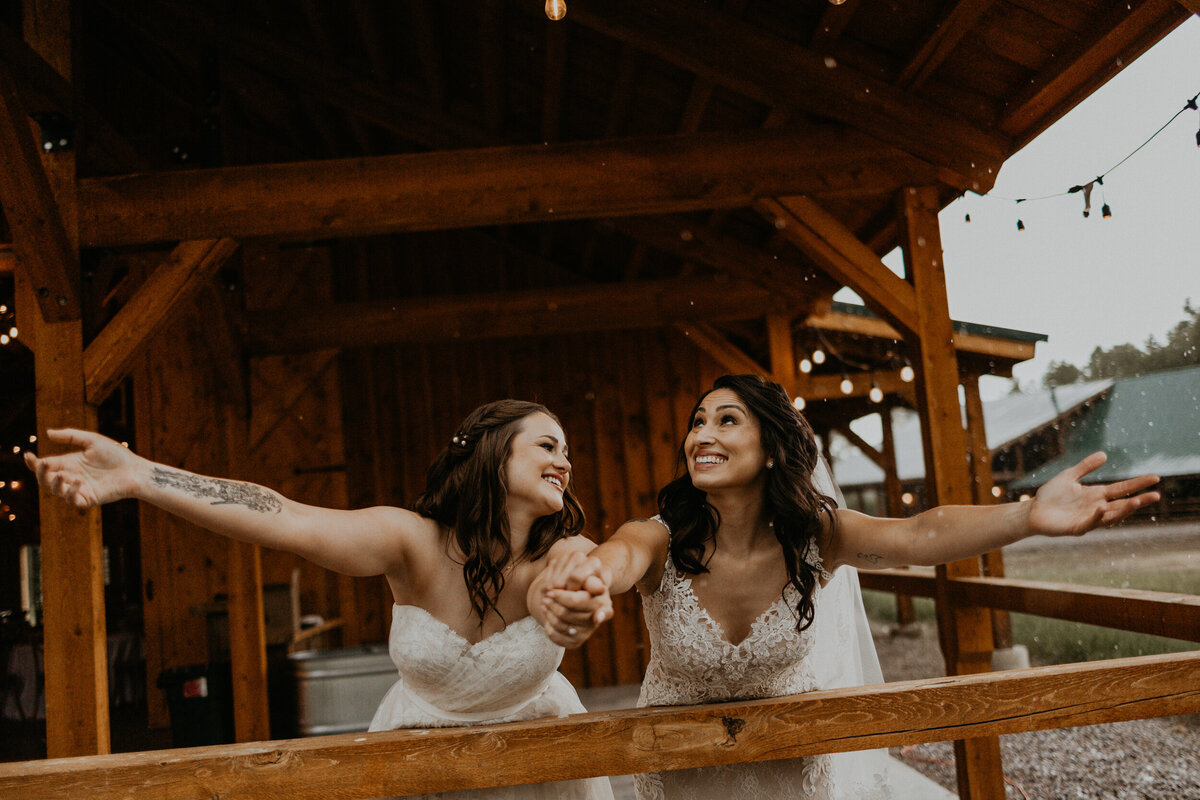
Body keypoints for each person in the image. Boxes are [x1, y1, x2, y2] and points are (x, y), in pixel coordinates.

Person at [530, 374, 1161, 800]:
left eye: (727, 420)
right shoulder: (661, 538)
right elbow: (614, 558)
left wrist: (1026, 516)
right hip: (680, 778)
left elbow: (919, 533)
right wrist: (585, 575)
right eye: (698, 422)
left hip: (794, 769)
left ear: (773, 449)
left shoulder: (818, 538)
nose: (703, 435)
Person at [26, 399, 615, 800]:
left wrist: (575, 598)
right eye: (547, 445)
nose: (564, 461)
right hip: (419, 775)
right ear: (492, 452)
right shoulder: (411, 541)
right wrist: (142, 476)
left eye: (567, 451)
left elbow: (576, 583)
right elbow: (286, 516)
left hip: (544, 772)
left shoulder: (566, 550)